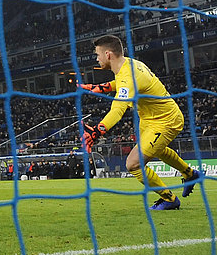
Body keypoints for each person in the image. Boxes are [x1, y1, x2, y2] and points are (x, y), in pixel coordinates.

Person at [81, 35, 199, 210]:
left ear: (108, 54)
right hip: (150, 118)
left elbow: (117, 110)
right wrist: (100, 87)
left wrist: (97, 131)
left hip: (165, 120)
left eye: (97, 55)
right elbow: (121, 83)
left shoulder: (128, 76)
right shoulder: (128, 63)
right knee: (156, 150)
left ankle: (169, 199)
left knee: (133, 164)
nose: (96, 59)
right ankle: (190, 174)